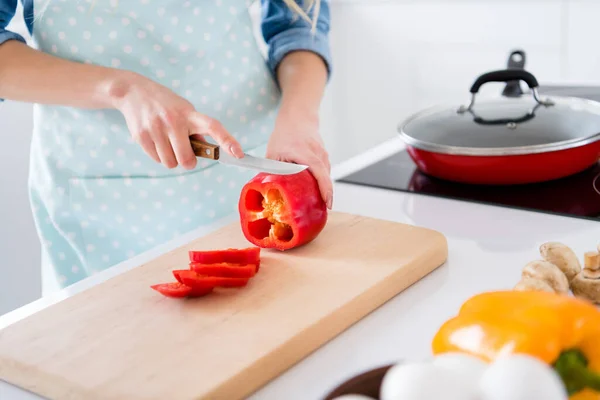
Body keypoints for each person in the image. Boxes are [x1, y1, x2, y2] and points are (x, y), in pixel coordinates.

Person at [0, 0, 333, 293]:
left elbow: (300, 20)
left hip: (250, 164)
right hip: (100, 202)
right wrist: (119, 89)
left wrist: (299, 119)